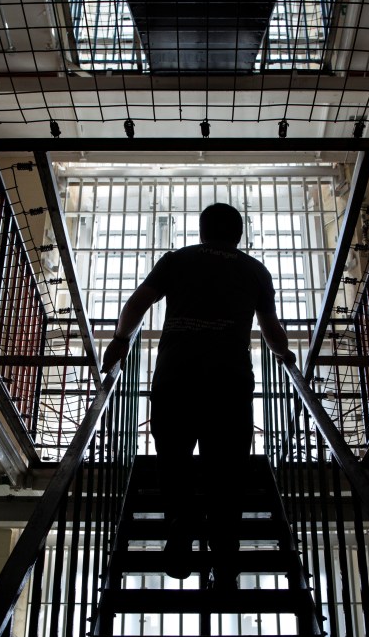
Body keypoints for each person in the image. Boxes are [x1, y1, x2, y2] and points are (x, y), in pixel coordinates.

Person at [101, 203, 295, 590]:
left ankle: (181, 520)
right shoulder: (255, 270)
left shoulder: (177, 260)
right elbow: (271, 328)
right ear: (238, 235)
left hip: (177, 376)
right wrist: (283, 354)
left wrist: (121, 341)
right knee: (227, 467)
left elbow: (139, 302)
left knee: (173, 456)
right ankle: (224, 553)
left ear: (202, 231)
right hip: (230, 379)